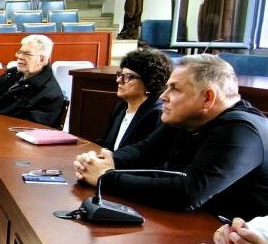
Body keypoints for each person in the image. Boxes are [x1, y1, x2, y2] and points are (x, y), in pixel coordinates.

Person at [74, 54, 268, 217]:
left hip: (237, 241)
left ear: (208, 98)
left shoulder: (241, 130)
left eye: (174, 89)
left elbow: (187, 193)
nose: (162, 96)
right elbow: (144, 152)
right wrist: (100, 162)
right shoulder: (187, 118)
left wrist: (105, 177)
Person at [0, 34, 65, 127]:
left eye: (27, 54)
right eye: (20, 52)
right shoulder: (11, 74)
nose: (19, 56)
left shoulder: (51, 95)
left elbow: (26, 130)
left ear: (42, 60)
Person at [95, 48, 172, 150]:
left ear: (149, 81)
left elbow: (143, 154)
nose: (119, 80)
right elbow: (105, 144)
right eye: (120, 74)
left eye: (128, 76)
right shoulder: (119, 108)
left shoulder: (156, 114)